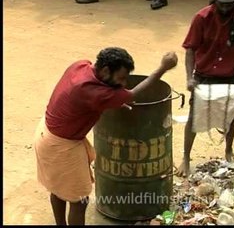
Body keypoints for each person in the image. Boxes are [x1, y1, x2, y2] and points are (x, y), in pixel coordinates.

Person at [34, 47, 178, 225]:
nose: (124, 83)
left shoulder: (81, 65)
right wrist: (163, 67)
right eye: (121, 78)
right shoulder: (93, 92)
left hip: (46, 132)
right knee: (79, 201)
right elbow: (131, 95)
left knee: (59, 189)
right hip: (61, 146)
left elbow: (99, 96)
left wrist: (114, 97)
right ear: (105, 70)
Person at [176, 0, 234, 177]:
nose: (224, 8)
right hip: (203, 76)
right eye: (220, 4)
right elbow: (190, 49)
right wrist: (189, 77)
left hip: (229, 76)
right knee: (194, 117)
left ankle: (228, 150)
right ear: (214, 0)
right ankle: (185, 157)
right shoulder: (201, 18)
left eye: (228, 5)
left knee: (229, 116)